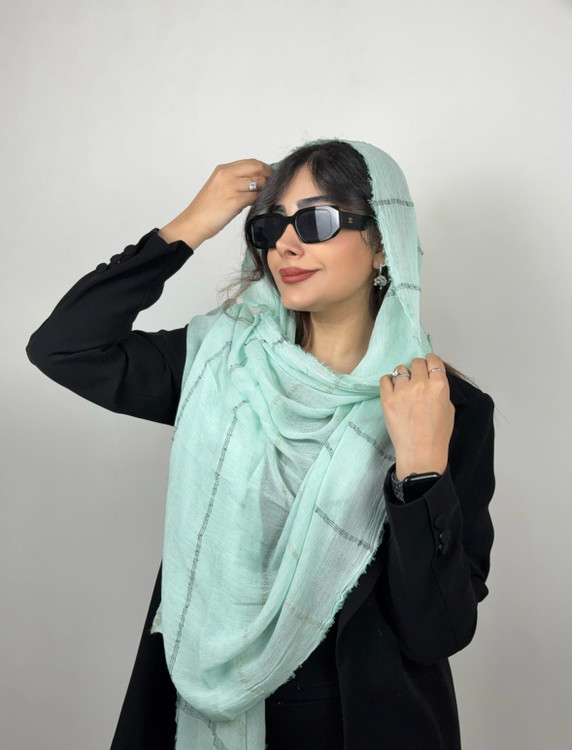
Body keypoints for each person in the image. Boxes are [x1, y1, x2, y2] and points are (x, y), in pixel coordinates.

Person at [26, 138, 496, 750]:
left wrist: (421, 475)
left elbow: (436, 633)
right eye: (270, 227)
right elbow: (63, 348)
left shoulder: (445, 408)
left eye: (316, 221)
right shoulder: (219, 367)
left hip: (361, 729)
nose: (285, 246)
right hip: (205, 717)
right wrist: (189, 227)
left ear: (384, 240)